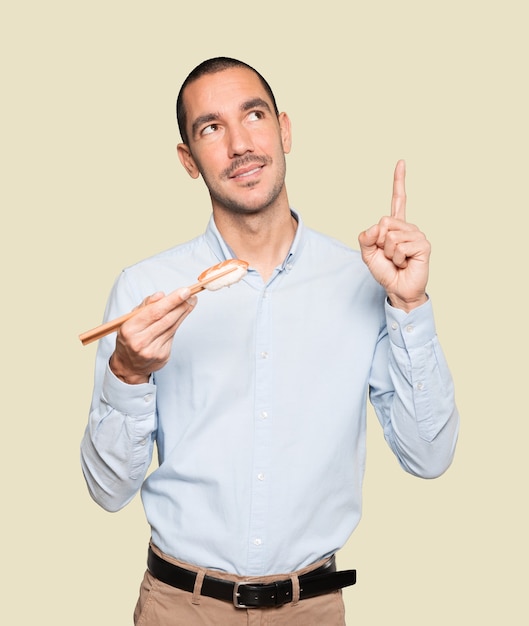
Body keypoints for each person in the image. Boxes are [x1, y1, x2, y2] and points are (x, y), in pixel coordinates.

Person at [81, 56, 459, 626]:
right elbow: (107, 491)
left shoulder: (364, 279)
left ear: (284, 130)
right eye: (211, 128)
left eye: (253, 116)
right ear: (188, 160)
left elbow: (430, 457)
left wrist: (408, 307)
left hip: (312, 608)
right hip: (178, 607)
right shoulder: (144, 291)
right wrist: (128, 372)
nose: (239, 144)